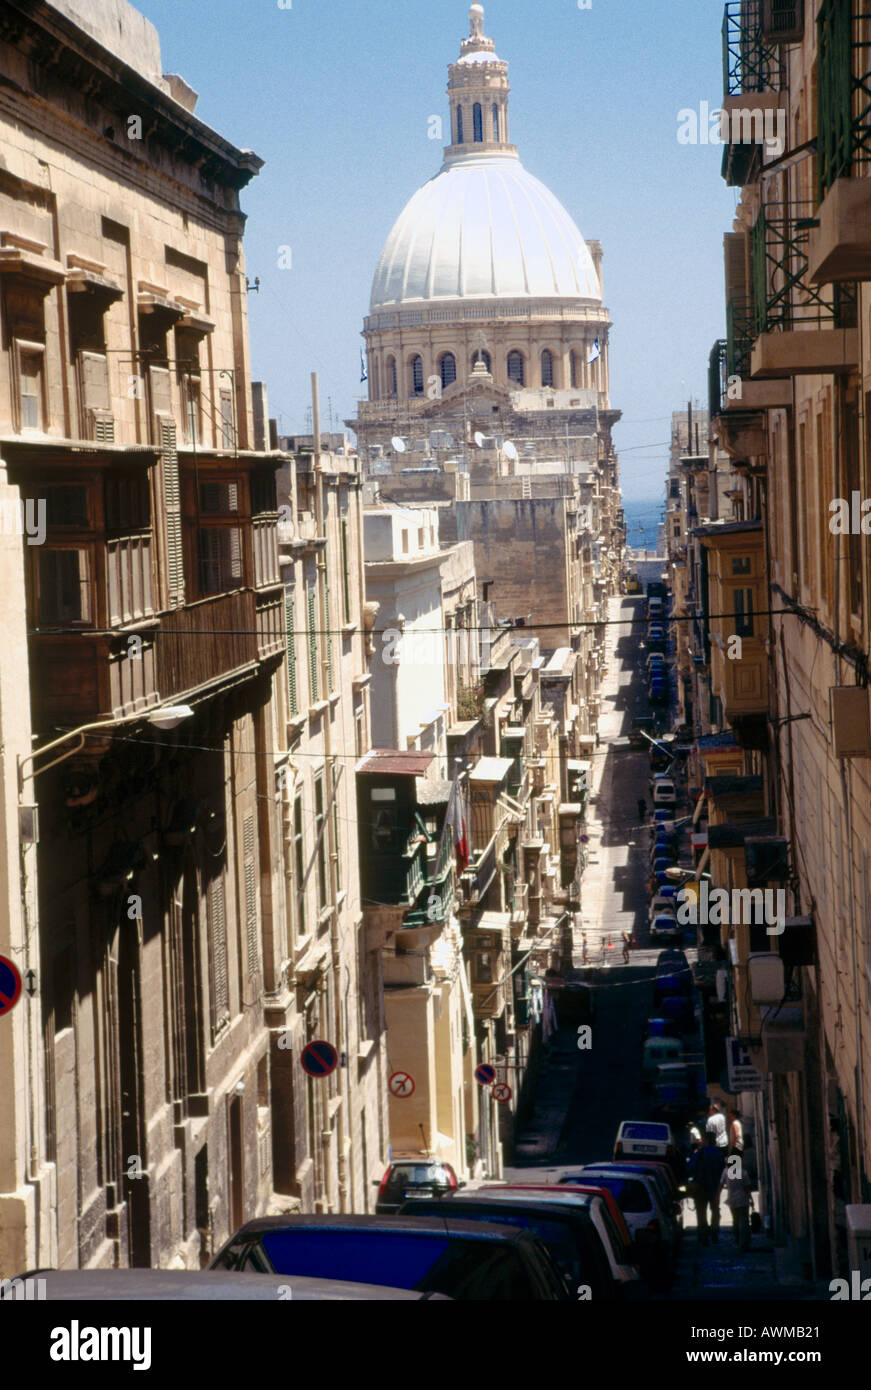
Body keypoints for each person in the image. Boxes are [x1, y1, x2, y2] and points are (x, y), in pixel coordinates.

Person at [688, 1130, 726, 1245]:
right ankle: (714, 1232)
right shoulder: (719, 1154)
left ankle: (703, 1236)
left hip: (700, 1187)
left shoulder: (699, 1153)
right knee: (715, 1211)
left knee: (701, 1213)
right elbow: (723, 1171)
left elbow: (689, 1168)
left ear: (706, 1140)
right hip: (714, 1188)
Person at [721, 1152, 754, 1251]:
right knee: (744, 1221)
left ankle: (737, 1240)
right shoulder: (743, 1172)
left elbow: (721, 1185)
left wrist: (717, 1197)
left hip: (732, 1200)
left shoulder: (726, 1172)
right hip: (742, 1199)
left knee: (735, 1221)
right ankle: (744, 1243)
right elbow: (747, 1188)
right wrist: (751, 1199)